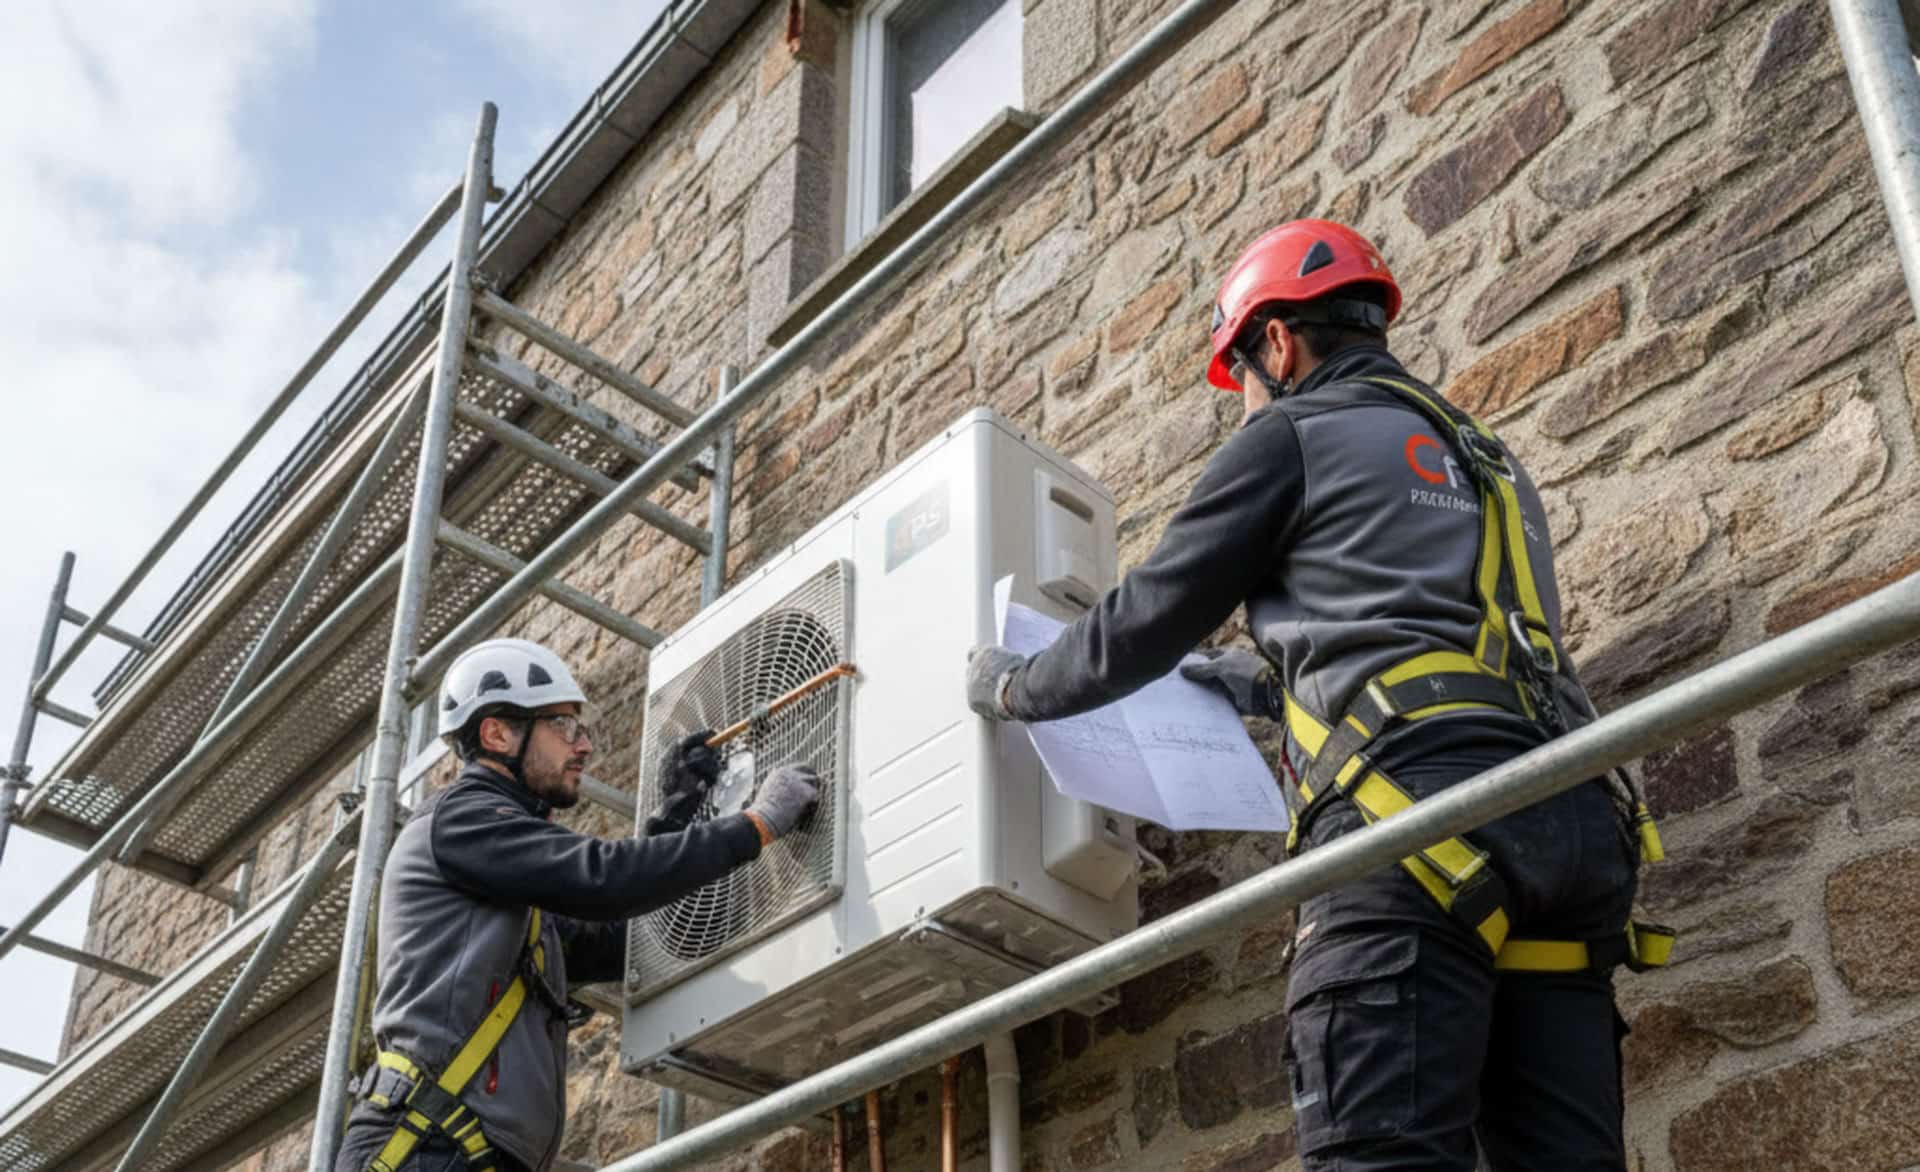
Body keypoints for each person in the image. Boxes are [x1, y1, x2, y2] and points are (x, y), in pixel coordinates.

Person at [965, 220, 1666, 1170]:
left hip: (1416, 830)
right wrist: (1263, 685)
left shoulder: (1292, 434)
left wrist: (1015, 688)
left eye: (1242, 383)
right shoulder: (1487, 458)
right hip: (1573, 833)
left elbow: (1143, 619)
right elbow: (1439, 638)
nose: (1246, 406)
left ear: (1279, 344)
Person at [334, 637, 819, 1172]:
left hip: (458, 1151)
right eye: (564, 727)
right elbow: (603, 878)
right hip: (424, 1148)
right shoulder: (461, 820)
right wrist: (755, 826)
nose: (583, 746)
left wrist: (679, 813)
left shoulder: (510, 889)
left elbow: (622, 936)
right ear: (498, 733)